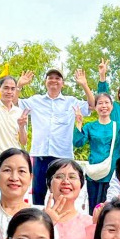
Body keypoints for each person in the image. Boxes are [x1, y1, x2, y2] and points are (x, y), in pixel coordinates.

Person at [19, 68, 89, 205]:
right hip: (40, 154)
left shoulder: (71, 102)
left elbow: (91, 105)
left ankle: (61, 218)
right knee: (38, 194)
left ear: (63, 83)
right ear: (45, 82)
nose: (54, 81)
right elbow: (14, 103)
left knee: (62, 193)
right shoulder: (35, 101)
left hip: (62, 155)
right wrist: (19, 86)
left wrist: (84, 85)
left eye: (57, 78)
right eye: (50, 78)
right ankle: (38, 218)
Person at [73, 91, 120, 208]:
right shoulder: (90, 126)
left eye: (107, 102)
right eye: (100, 103)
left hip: (112, 174)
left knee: (111, 208)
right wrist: (78, 123)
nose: (104, 106)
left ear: (112, 106)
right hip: (95, 173)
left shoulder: (119, 126)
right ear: (95, 107)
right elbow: (78, 143)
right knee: (94, 208)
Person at [46, 158, 95, 239]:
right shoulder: (37, 220)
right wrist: (45, 225)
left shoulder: (89, 223)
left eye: (72, 177)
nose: (66, 181)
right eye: (59, 177)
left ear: (81, 185)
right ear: (49, 185)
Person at [0, 73, 32, 154]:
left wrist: (21, 127)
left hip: (14, 156)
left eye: (12, 89)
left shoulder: (19, 112)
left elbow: (23, 142)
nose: (9, 92)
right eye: (6, 88)